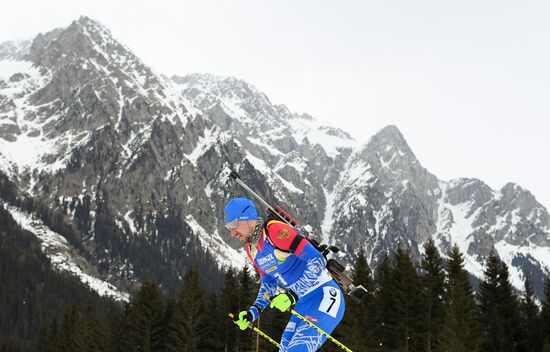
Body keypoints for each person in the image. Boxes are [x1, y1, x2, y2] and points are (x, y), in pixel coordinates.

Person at [224, 197, 345, 352]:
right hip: (302, 305)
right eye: (229, 227)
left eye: (234, 225)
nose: (233, 232)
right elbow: (269, 284)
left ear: (247, 218)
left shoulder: (274, 231)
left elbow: (317, 260)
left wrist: (292, 295)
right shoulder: (252, 250)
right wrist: (252, 312)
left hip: (324, 296)